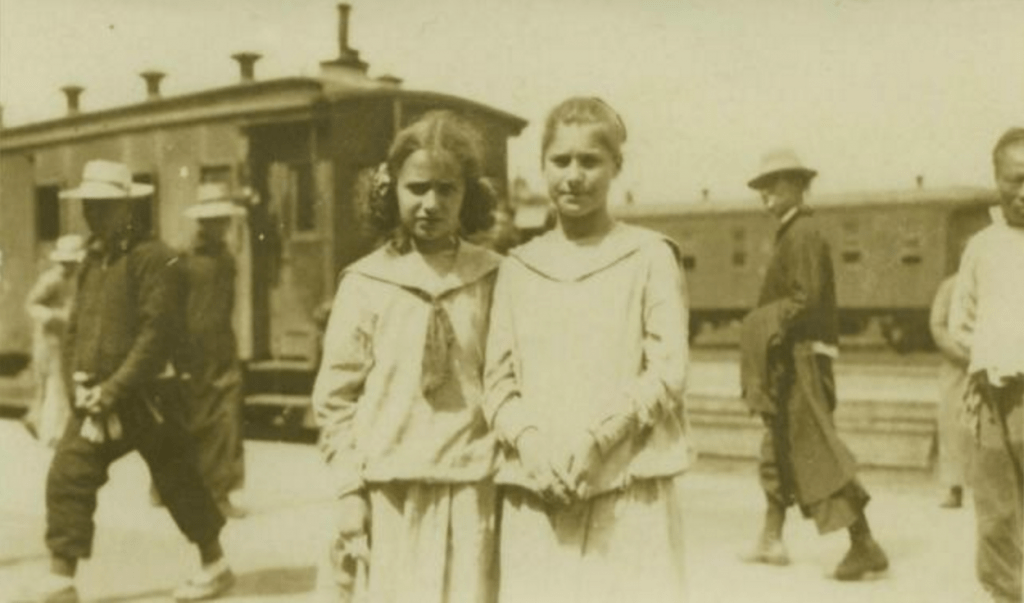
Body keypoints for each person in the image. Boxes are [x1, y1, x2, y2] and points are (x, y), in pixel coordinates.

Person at [484, 97, 691, 603]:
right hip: (538, 488)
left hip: (626, 485)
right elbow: (497, 383)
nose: (573, 176)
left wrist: (599, 440)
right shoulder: (517, 268)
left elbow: (666, 371)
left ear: (616, 166)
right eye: (561, 161)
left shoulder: (649, 257)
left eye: (590, 161)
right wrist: (531, 444)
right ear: (542, 166)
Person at [18, 160, 233, 603]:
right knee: (69, 473)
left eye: (104, 206)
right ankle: (62, 578)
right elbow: (78, 325)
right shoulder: (93, 260)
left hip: (149, 397)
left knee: (177, 479)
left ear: (127, 207)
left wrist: (114, 388)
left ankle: (215, 565)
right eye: (89, 206)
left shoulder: (154, 259)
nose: (94, 214)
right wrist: (80, 382)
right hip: (97, 396)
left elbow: (157, 334)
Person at [311, 111, 502, 603]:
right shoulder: (366, 283)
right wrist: (349, 492)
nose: (431, 204)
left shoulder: (494, 276)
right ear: (390, 188)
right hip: (388, 494)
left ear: (469, 195)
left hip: (471, 489)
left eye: (447, 189)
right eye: (417, 188)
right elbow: (335, 401)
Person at [738, 148, 888, 580]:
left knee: (815, 447)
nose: (765, 193)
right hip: (790, 356)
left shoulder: (802, 233)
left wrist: (761, 324)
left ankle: (864, 544)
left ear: (798, 186)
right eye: (761, 186)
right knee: (777, 445)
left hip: (801, 357)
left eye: (775, 184)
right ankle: (771, 537)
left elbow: (806, 300)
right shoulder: (792, 232)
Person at [949, 127, 1024, 603]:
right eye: (1014, 180)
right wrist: (990, 358)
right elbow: (961, 321)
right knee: (996, 512)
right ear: (996, 181)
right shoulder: (982, 247)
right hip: (995, 398)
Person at [180, 183, 248, 519]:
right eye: (213, 220)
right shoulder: (183, 259)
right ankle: (172, 489)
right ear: (201, 223)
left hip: (223, 346)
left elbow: (227, 305)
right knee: (194, 421)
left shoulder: (227, 258)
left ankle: (220, 494)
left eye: (223, 220)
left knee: (226, 418)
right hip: (192, 351)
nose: (219, 226)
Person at [23, 234, 85, 447]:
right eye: (65, 263)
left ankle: (53, 425)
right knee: (53, 382)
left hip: (69, 336)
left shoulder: (79, 279)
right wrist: (52, 316)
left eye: (72, 263)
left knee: (67, 381)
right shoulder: (51, 279)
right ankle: (52, 432)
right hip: (50, 339)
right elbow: (32, 304)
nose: (68, 267)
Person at [929, 271, 972, 509]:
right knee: (952, 426)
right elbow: (937, 325)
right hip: (957, 366)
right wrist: (961, 355)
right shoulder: (950, 286)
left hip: (992, 362)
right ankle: (954, 487)